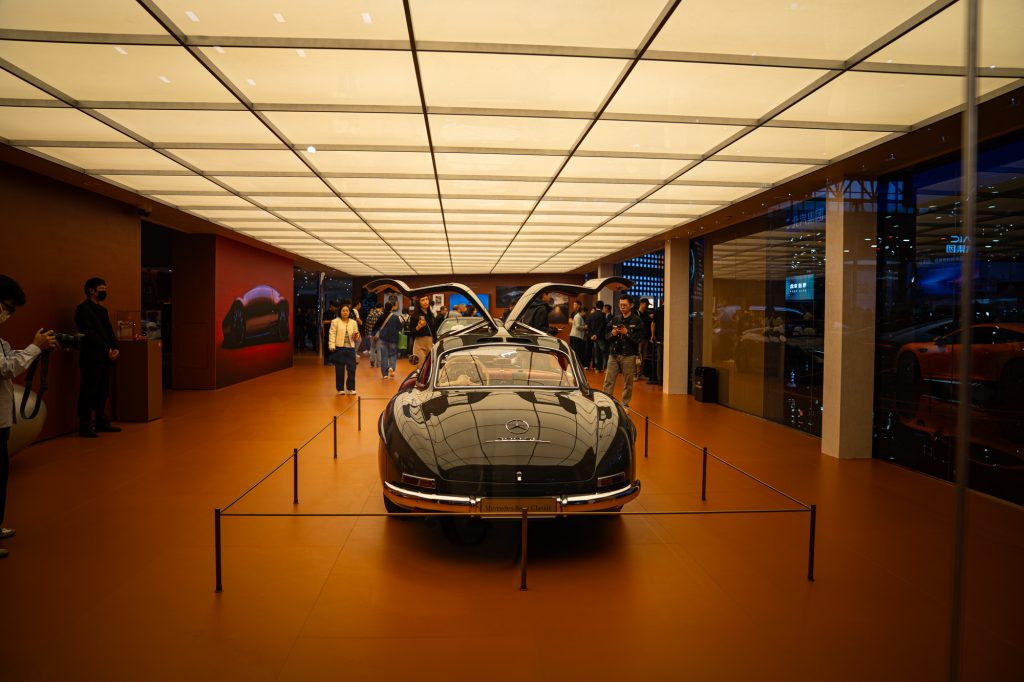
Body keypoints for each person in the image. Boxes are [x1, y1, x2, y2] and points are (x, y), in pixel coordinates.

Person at [0, 276, 59, 559]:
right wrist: (35, 347)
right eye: (7, 307)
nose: (8, 314)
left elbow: (9, 359)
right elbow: (6, 368)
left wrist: (36, 348)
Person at [75, 277, 121, 438]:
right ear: (91, 290)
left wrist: (115, 347)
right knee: (89, 391)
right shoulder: (82, 309)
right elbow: (88, 333)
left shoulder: (102, 310)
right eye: (101, 289)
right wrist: (106, 348)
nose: (104, 292)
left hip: (105, 357)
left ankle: (101, 421)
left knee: (103, 390)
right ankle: (85, 425)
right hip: (91, 357)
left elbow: (109, 330)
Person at [602, 296, 646, 407]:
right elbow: (606, 337)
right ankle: (607, 403)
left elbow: (638, 340)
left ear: (631, 305)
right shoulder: (615, 319)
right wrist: (612, 334)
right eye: (620, 305)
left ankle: (625, 404)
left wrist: (627, 333)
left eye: (625, 305)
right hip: (614, 354)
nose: (622, 307)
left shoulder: (637, 321)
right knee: (608, 381)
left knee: (628, 383)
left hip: (629, 356)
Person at [328, 304, 359, 395]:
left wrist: (356, 336)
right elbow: (332, 333)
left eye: (347, 311)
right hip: (339, 348)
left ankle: (351, 388)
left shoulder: (353, 322)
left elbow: (356, 334)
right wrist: (331, 344)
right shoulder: (335, 321)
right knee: (339, 369)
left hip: (350, 348)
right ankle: (340, 389)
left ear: (349, 312)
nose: (345, 312)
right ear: (340, 312)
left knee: (352, 368)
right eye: (343, 310)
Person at [407, 294, 436, 366]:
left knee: (431, 367)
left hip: (430, 343)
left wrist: (435, 341)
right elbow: (412, 332)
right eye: (423, 300)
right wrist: (418, 327)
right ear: (418, 303)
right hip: (419, 344)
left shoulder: (431, 315)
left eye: (426, 299)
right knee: (421, 366)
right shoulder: (414, 315)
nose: (425, 302)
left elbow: (434, 330)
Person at [376, 301, 402, 379]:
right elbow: (400, 328)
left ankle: (385, 374)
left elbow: (377, 327)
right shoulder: (395, 317)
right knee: (393, 355)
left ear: (384, 308)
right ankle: (392, 367)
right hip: (393, 339)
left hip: (383, 339)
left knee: (384, 356)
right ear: (392, 308)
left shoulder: (381, 316)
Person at [587, 302, 607, 371]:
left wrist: (592, 335)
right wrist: (596, 334)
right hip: (601, 337)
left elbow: (589, 326)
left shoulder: (591, 315)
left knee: (596, 353)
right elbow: (602, 326)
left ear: (596, 306)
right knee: (604, 352)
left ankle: (597, 368)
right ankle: (604, 368)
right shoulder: (603, 314)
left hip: (594, 337)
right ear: (603, 307)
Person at [363, 301, 384, 368]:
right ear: (381, 307)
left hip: (371, 334)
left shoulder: (370, 314)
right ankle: (379, 364)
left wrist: (367, 333)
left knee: (372, 347)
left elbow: (367, 324)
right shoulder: (382, 314)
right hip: (379, 334)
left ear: (375, 307)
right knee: (378, 349)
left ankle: (372, 361)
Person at [568, 300, 588, 366]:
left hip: (576, 336)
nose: (585, 314)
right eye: (585, 313)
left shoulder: (579, 316)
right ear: (582, 311)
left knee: (577, 351)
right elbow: (577, 326)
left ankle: (576, 363)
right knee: (576, 351)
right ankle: (575, 364)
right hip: (576, 336)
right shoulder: (577, 316)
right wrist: (585, 327)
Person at [322, 300, 339, 365]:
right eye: (335, 307)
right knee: (327, 346)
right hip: (328, 332)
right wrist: (332, 321)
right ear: (331, 306)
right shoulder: (326, 312)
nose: (336, 308)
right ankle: (326, 361)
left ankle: (332, 360)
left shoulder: (336, 313)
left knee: (334, 347)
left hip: (334, 332)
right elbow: (323, 322)